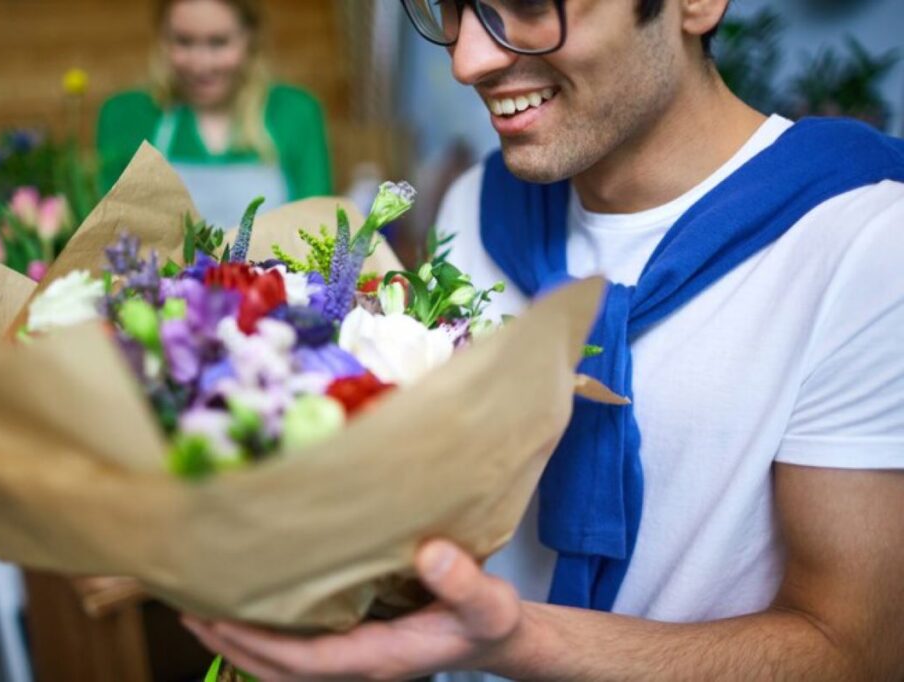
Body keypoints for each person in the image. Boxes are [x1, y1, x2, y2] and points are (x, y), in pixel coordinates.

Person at [181, 1, 904, 679]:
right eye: (450, 8)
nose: (467, 60)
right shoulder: (475, 206)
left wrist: (517, 642)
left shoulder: (862, 243)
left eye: (528, 3)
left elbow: (854, 649)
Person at [96, 0, 333, 228]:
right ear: (162, 38)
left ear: (250, 37)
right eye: (184, 41)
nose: (200, 65)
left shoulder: (294, 113)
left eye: (218, 42)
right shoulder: (126, 116)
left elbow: (317, 227)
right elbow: (105, 234)